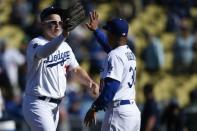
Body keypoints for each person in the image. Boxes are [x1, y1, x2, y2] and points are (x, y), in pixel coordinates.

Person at [22, 6, 99, 131]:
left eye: (60, 23)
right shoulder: (35, 43)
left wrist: (90, 82)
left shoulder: (65, 46)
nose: (57, 26)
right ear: (42, 25)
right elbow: (44, 52)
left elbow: (75, 69)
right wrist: (63, 35)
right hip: (37, 103)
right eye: (52, 23)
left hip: (56, 106)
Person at [84, 11, 141, 131]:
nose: (107, 34)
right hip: (132, 112)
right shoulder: (129, 53)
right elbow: (107, 46)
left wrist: (94, 107)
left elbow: (111, 87)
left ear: (114, 35)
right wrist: (96, 31)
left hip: (118, 113)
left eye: (108, 32)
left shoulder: (115, 55)